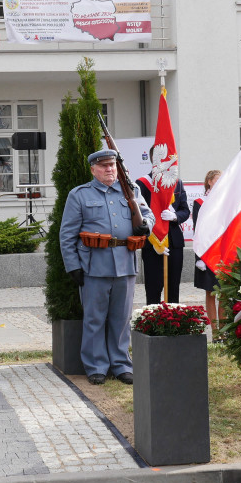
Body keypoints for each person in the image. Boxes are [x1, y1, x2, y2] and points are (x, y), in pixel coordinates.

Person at [59, 149, 153, 386]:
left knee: (121, 319)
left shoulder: (131, 190)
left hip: (125, 262)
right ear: (93, 170)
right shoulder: (79, 195)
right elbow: (67, 234)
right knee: (94, 319)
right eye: (103, 166)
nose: (109, 169)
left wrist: (146, 226)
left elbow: (147, 214)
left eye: (112, 165)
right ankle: (96, 366)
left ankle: (121, 364)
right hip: (94, 265)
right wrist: (73, 266)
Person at [137, 174, 189, 305]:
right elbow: (137, 212)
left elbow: (185, 210)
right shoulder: (142, 183)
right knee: (153, 287)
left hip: (174, 241)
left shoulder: (177, 182)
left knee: (173, 286)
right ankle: (153, 321)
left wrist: (175, 216)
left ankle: (173, 320)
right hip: (152, 242)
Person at [193, 170, 222, 329]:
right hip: (207, 252)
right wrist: (199, 258)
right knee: (211, 293)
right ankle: (215, 331)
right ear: (209, 181)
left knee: (224, 294)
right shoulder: (200, 202)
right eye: (217, 180)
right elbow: (198, 230)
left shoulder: (226, 202)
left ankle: (224, 331)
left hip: (222, 253)